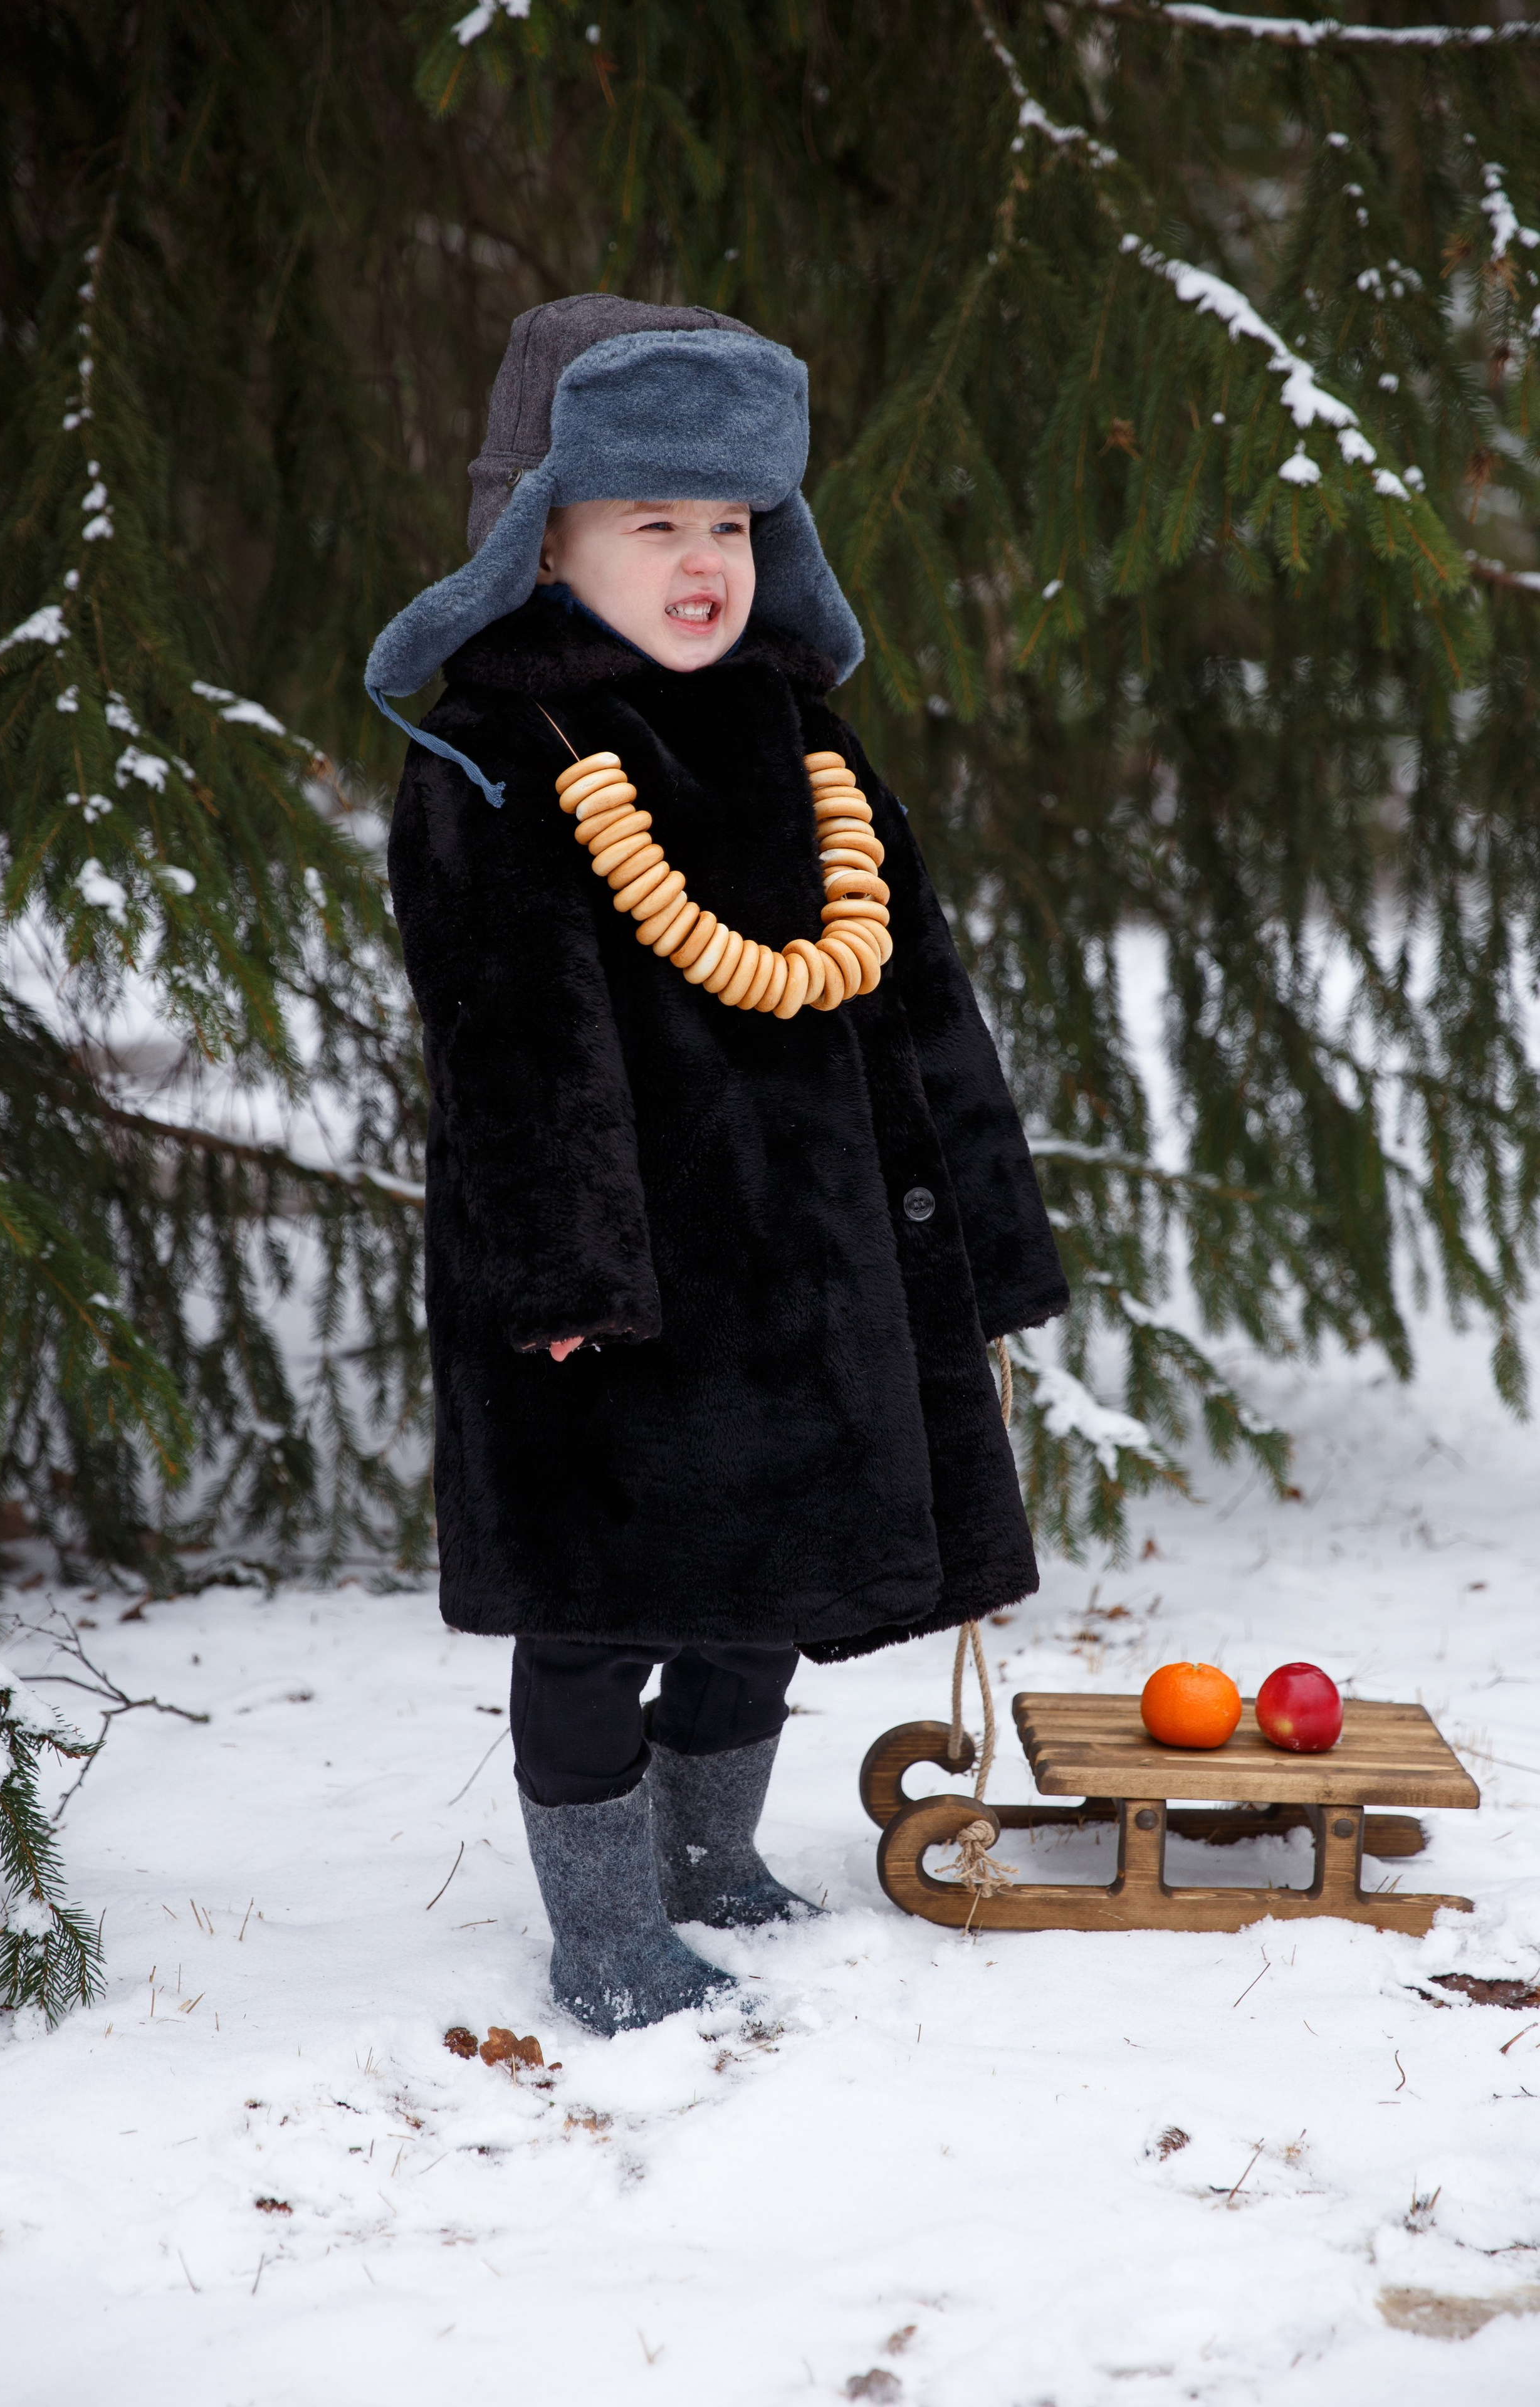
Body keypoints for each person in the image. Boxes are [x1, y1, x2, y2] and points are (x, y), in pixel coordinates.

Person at [369, 296, 1068, 2035]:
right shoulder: (501, 764)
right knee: (611, 1610)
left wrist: (980, 1238)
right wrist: (562, 1280)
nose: (703, 564)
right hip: (621, 1292)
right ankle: (602, 1923)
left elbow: (923, 1007)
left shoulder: (809, 744)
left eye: (734, 527)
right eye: (653, 524)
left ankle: (710, 1860)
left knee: (768, 1595)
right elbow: (513, 1050)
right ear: (543, 544)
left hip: (815, 1275)